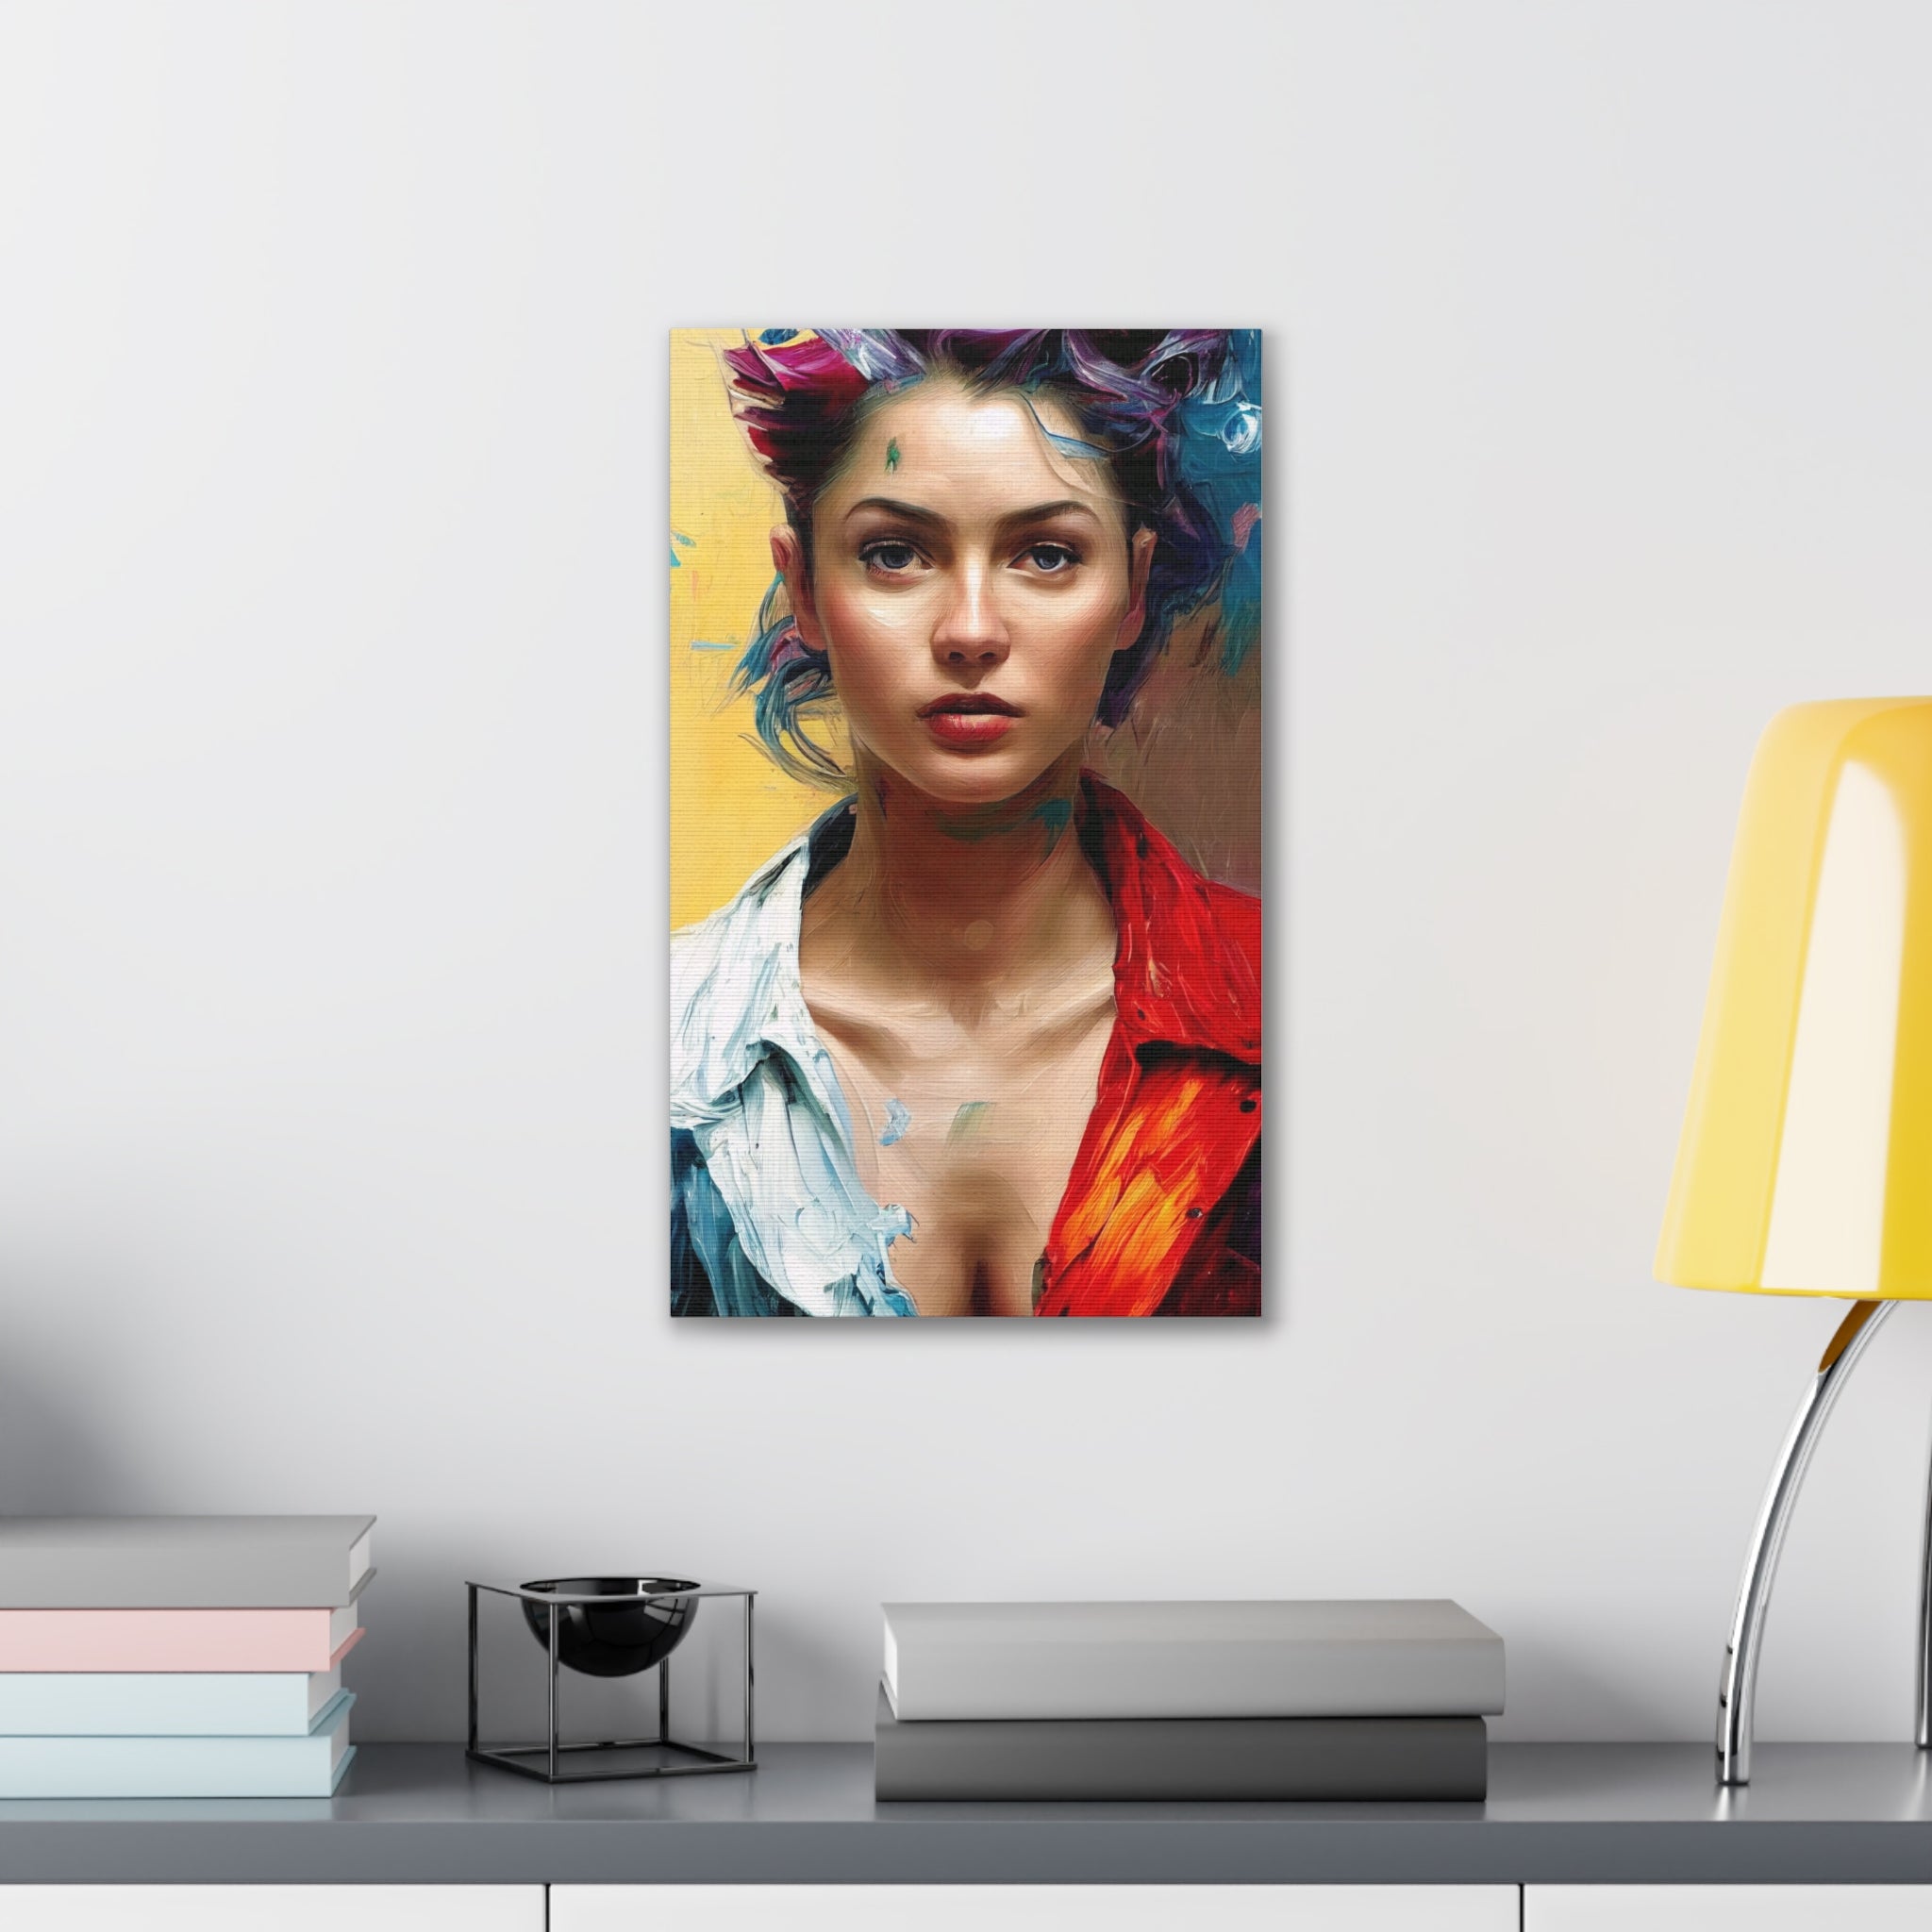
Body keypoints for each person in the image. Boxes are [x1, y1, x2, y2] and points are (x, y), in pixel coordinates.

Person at [672, 330, 1262, 1318]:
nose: (971, 630)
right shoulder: (665, 1041)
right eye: (894, 553)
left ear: (1129, 586)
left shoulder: (1291, 1007)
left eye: (1045, 553)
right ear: (805, 588)